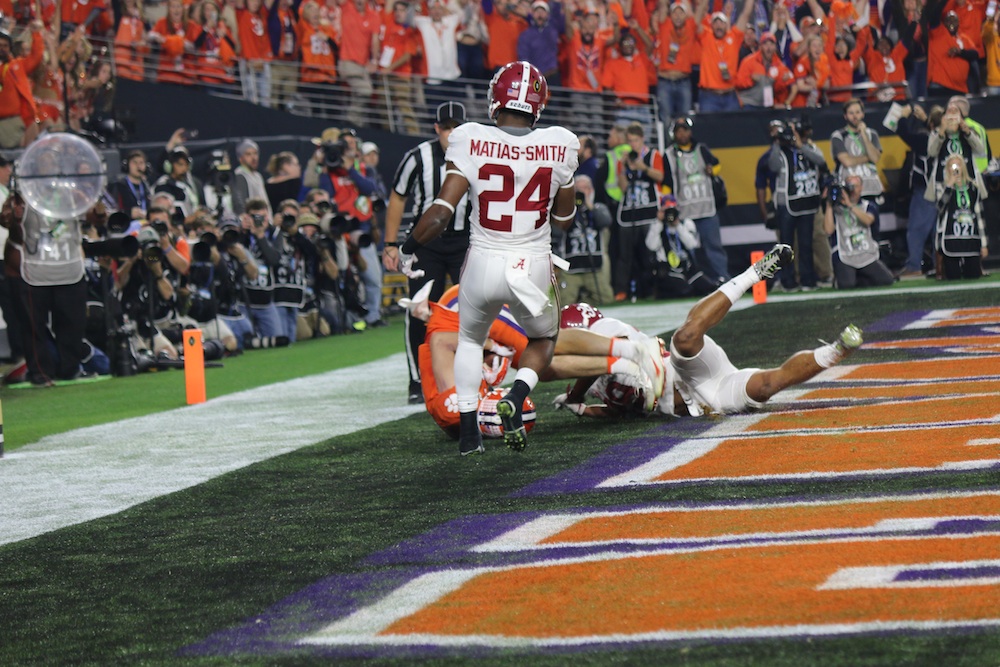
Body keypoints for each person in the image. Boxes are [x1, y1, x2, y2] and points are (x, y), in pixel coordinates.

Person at [398, 61, 602, 456]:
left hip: (482, 261)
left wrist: (407, 249)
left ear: (496, 99)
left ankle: (469, 436)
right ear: (537, 106)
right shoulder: (561, 143)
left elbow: (440, 212)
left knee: (470, 340)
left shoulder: (469, 138)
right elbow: (563, 221)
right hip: (532, 263)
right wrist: (561, 187)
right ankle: (518, 393)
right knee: (544, 338)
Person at [555, 257, 864, 419]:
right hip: (706, 401)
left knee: (686, 337)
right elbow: (619, 409)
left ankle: (753, 274)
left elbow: (609, 354)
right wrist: (583, 410)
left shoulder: (605, 331)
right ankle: (835, 352)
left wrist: (575, 394)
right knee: (766, 387)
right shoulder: (591, 375)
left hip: (685, 371)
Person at [383, 102, 472, 405]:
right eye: (446, 127)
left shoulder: (477, 155)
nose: (451, 133)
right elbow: (398, 197)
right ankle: (417, 379)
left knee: (472, 309)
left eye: (457, 127)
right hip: (426, 244)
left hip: (465, 241)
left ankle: (474, 373)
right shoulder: (418, 157)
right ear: (436, 129)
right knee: (419, 309)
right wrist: (390, 243)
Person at [661, 115, 729, 283]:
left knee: (714, 247)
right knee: (688, 248)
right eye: (679, 131)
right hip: (684, 211)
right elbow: (667, 182)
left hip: (706, 208)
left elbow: (717, 165)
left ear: (690, 132)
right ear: (674, 134)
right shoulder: (669, 155)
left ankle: (723, 278)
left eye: (685, 130)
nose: (682, 134)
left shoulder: (701, 149)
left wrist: (712, 171)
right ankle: (693, 280)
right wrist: (667, 203)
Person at [768, 118, 826, 291]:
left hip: (807, 203)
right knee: (786, 245)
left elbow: (821, 162)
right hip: (787, 204)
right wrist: (777, 142)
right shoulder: (781, 151)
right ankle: (788, 281)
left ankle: (808, 280)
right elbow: (773, 166)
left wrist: (801, 146)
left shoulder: (811, 148)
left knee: (806, 244)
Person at [611, 121, 664, 300]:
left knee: (648, 253)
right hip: (629, 212)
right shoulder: (625, 159)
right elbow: (623, 187)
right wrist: (624, 167)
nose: (632, 144)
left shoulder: (653, 155)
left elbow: (660, 176)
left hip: (649, 211)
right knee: (625, 255)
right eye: (630, 141)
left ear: (642, 139)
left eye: (635, 140)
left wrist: (644, 168)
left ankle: (651, 289)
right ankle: (622, 290)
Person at [894, 103, 944, 279]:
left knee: (916, 229)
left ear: (931, 124)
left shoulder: (925, 139)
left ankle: (914, 265)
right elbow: (934, 132)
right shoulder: (946, 140)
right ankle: (941, 266)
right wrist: (925, 120)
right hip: (943, 190)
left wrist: (903, 116)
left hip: (925, 191)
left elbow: (905, 133)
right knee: (938, 230)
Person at [552, 174, 615, 306]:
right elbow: (556, 231)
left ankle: (583, 304)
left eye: (585, 188)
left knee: (606, 299)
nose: (581, 192)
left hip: (594, 267)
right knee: (564, 303)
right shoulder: (565, 212)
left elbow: (605, 222)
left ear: (591, 190)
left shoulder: (598, 208)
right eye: (578, 189)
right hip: (571, 268)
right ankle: (576, 305)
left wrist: (590, 206)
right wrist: (568, 208)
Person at [823, 174, 894, 288]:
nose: (852, 190)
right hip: (845, 254)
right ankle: (847, 278)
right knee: (847, 285)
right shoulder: (837, 209)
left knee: (887, 280)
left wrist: (850, 205)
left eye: (854, 186)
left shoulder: (868, 206)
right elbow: (828, 230)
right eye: (849, 186)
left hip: (865, 253)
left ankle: (860, 277)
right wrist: (829, 205)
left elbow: (867, 220)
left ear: (861, 188)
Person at [644, 194, 716, 299]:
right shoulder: (657, 226)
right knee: (686, 291)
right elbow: (652, 246)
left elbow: (692, 244)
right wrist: (659, 222)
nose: (670, 215)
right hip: (669, 271)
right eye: (667, 211)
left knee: (709, 288)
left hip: (688, 268)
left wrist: (678, 225)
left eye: (672, 210)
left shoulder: (686, 223)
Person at [695, 1, 755, 113]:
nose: (718, 26)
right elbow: (696, 22)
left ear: (726, 24)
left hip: (729, 96)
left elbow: (745, 14)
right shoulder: (706, 37)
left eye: (721, 23)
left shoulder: (734, 37)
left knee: (732, 124)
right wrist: (703, 3)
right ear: (711, 25)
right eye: (715, 23)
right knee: (709, 125)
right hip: (709, 96)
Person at [935, 155, 988, 279]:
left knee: (973, 276)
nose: (955, 168)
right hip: (951, 240)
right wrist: (949, 186)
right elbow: (939, 208)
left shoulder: (974, 188)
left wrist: (984, 244)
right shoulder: (942, 187)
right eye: (952, 165)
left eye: (958, 164)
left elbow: (980, 217)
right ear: (947, 169)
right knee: (953, 277)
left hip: (971, 240)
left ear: (963, 167)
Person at [0, 23, 43, 149]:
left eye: (5, 46)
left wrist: (36, 34)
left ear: (10, 48)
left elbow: (36, 56)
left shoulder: (17, 65)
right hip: (5, 122)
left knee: (33, 129)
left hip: (16, 119)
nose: (2, 48)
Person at [654, 0, 697, 123]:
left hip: (683, 82)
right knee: (666, 120)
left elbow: (702, 7)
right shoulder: (664, 25)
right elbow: (662, 4)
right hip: (665, 82)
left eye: (681, 13)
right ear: (670, 15)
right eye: (675, 13)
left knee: (685, 120)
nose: (678, 16)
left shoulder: (690, 27)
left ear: (686, 15)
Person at [108, 150, 151, 222]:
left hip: (144, 223)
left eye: (141, 163)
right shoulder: (118, 185)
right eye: (135, 162)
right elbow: (110, 209)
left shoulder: (146, 186)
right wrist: (128, 213)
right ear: (127, 165)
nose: (138, 166)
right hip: (124, 223)